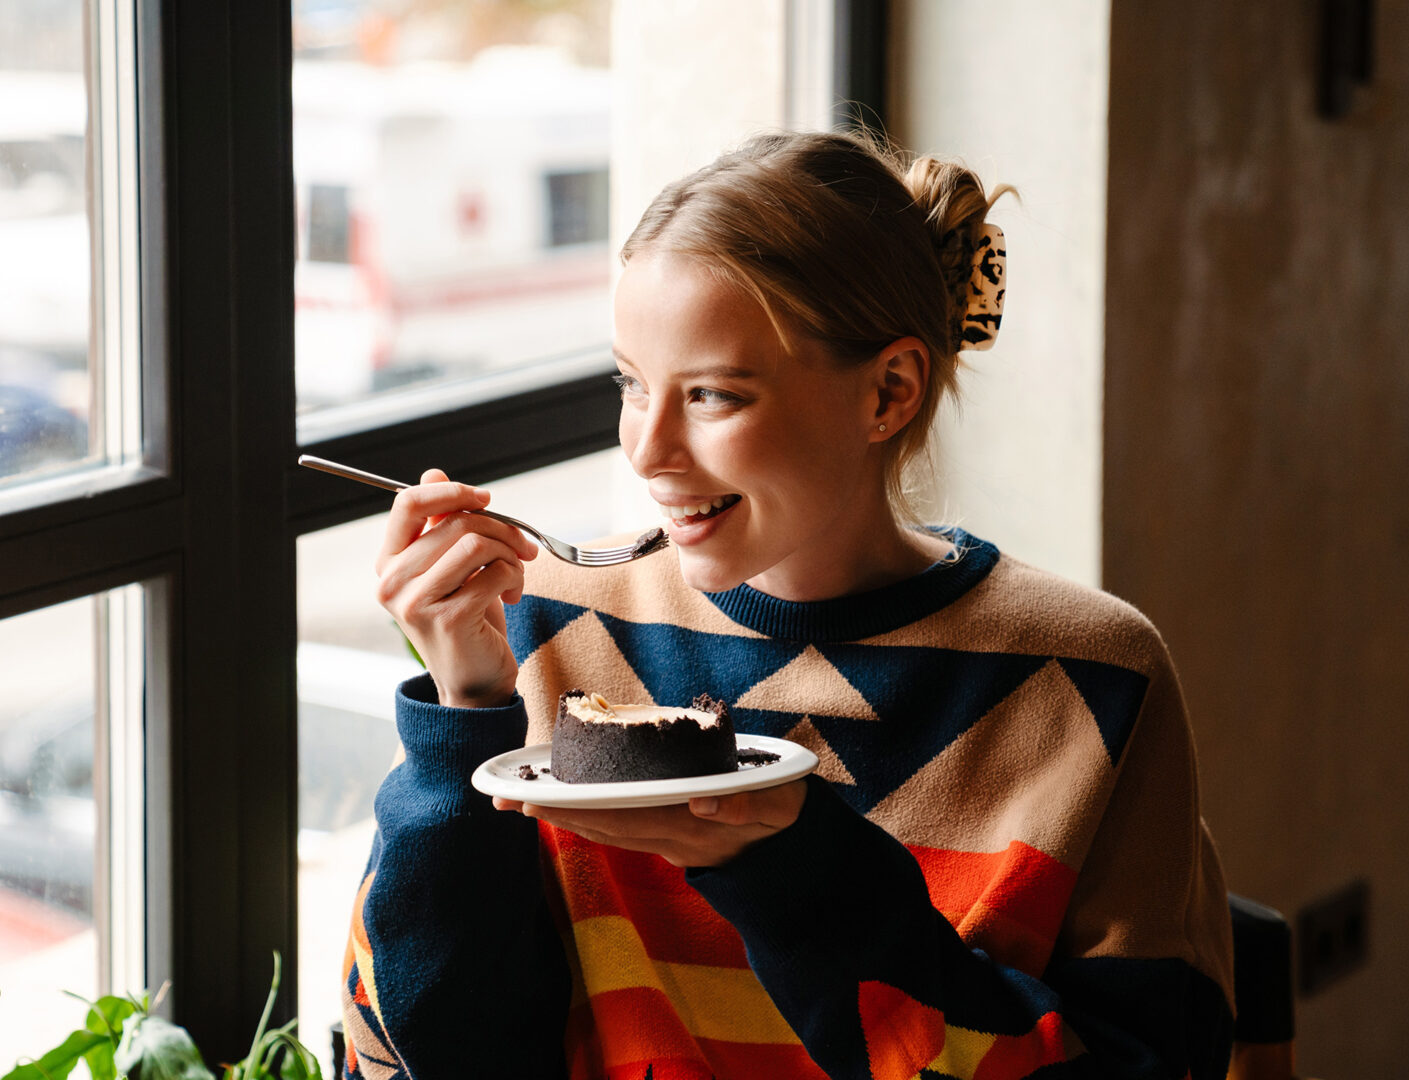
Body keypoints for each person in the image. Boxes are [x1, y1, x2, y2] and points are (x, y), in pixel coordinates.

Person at [339, 129, 1235, 1080]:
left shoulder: (1092, 679)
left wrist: (793, 864)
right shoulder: (544, 629)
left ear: (889, 392)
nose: (646, 451)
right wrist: (464, 724)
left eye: (714, 396)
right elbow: (415, 1055)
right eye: (630, 385)